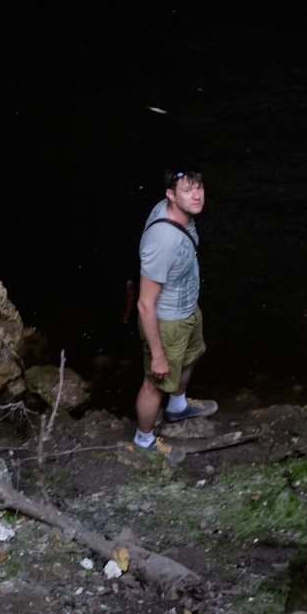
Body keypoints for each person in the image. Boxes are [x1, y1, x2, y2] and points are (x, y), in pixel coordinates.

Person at [132, 169, 217, 458]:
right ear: (170, 195)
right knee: (155, 383)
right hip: (167, 320)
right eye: (187, 190)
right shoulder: (163, 241)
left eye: (199, 188)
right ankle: (144, 440)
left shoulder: (176, 211)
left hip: (187, 308)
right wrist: (157, 353)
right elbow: (145, 304)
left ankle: (177, 406)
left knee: (196, 351)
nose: (197, 196)